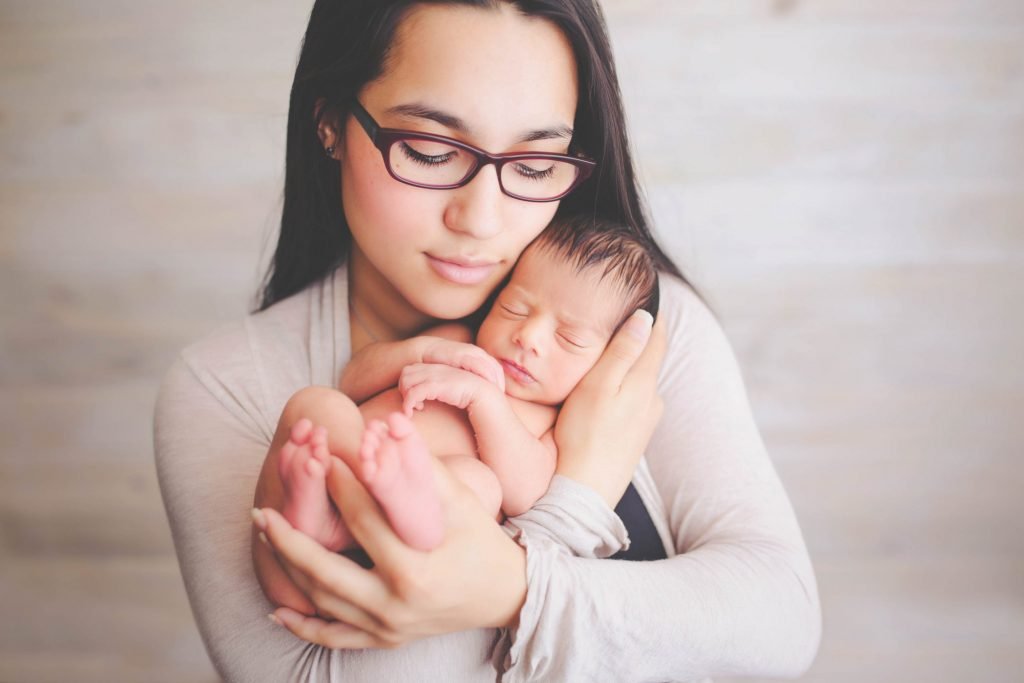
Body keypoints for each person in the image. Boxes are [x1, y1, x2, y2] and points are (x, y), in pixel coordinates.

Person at [154, 1, 822, 681]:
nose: (480, 218)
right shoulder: (227, 383)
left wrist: (517, 585)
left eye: (534, 166)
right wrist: (577, 493)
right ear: (329, 121)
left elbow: (782, 622)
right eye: (430, 150)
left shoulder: (636, 331)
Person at [268, 217, 659, 555]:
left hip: (420, 517)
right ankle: (323, 514)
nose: (529, 336)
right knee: (317, 403)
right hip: (353, 458)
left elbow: (525, 493)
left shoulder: (553, 421)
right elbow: (351, 381)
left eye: (569, 339)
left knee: (482, 486)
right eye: (514, 309)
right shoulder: (456, 343)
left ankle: (369, 523)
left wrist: (485, 400)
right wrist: (421, 350)